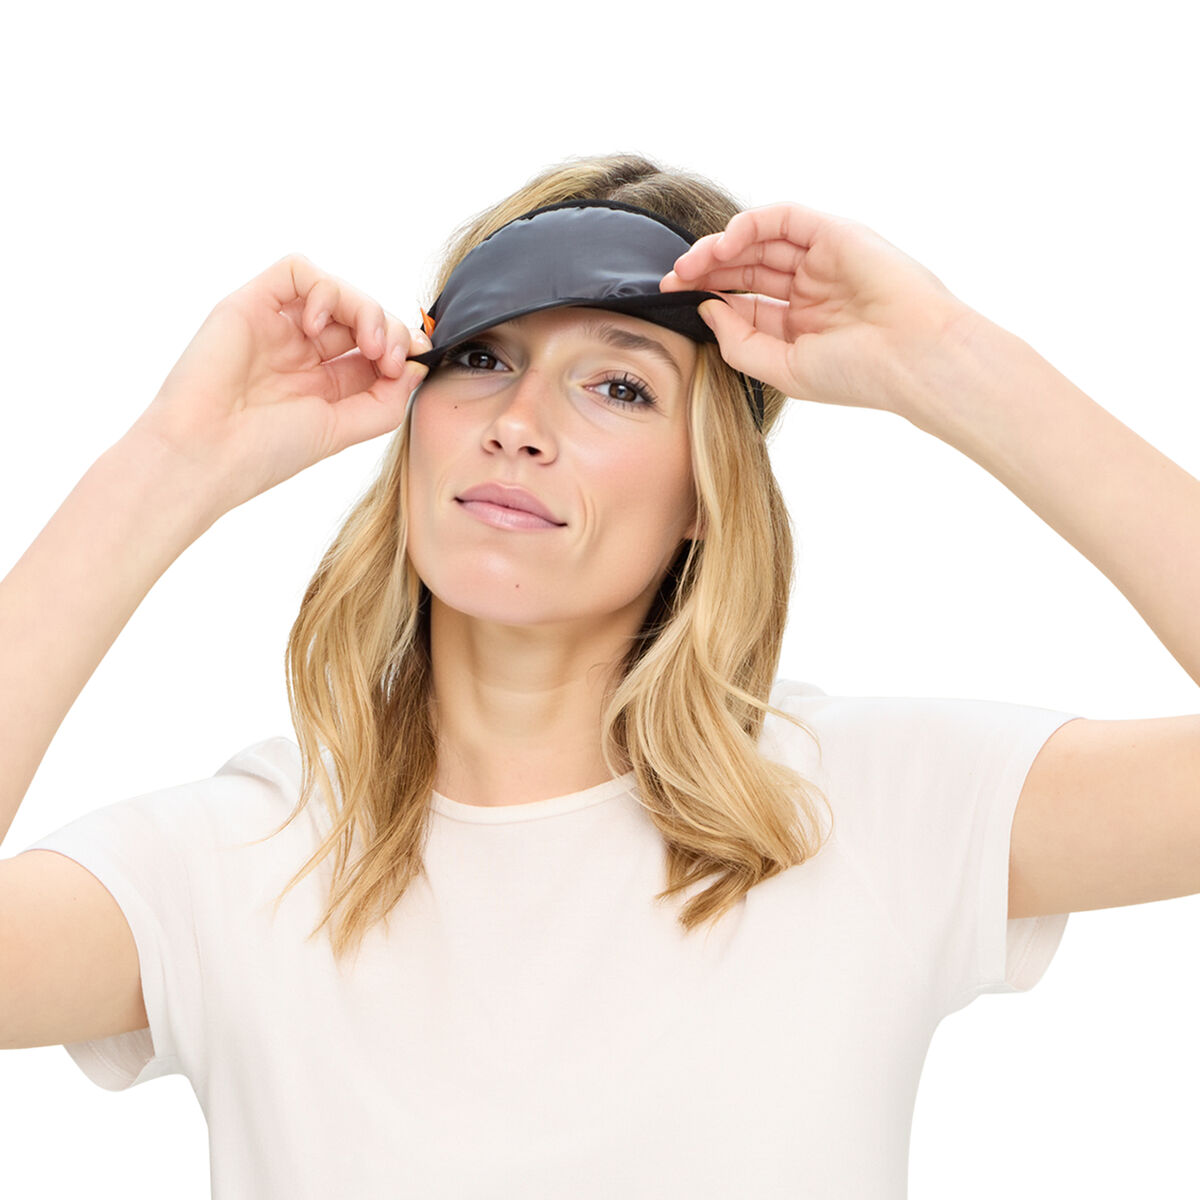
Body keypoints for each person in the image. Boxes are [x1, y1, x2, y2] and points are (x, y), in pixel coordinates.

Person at [1, 152, 1197, 1198]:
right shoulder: (245, 862)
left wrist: (948, 360)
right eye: (481, 357)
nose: (518, 422)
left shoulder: (866, 811)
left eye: (620, 385)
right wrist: (174, 461)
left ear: (706, 491)